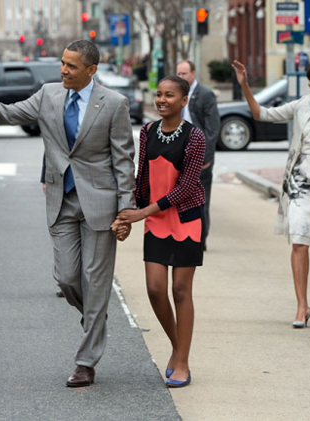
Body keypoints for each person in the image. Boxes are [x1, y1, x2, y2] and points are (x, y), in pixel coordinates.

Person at [0, 40, 136, 387]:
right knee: (67, 278)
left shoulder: (114, 104)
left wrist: (126, 208)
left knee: (96, 280)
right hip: (61, 199)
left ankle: (86, 362)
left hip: (100, 202)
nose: (63, 70)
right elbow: (11, 114)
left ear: (91, 70)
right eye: (62, 63)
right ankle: (96, 316)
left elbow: (123, 160)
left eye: (71, 66)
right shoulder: (48, 94)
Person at [232, 60, 310, 328]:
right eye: (309, 79)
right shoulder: (301, 105)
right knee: (299, 239)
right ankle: (302, 305)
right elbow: (261, 113)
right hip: (299, 184)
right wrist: (245, 86)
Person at [114, 76, 206, 388]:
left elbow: (186, 188)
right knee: (155, 289)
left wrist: (142, 213)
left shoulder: (196, 138)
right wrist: (128, 214)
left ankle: (183, 362)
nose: (162, 100)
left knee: (181, 290)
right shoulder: (148, 131)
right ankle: (178, 347)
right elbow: (143, 178)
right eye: (158, 94)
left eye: (170, 95)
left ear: (184, 101)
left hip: (185, 217)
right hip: (155, 217)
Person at [176, 60, 220, 251]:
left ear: (193, 74)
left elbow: (212, 130)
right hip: (178, 154)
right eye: (178, 74)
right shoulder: (176, 94)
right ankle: (181, 236)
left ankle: (200, 239)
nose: (181, 77)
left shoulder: (205, 95)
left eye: (184, 74)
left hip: (200, 155)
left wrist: (205, 159)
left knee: (200, 199)